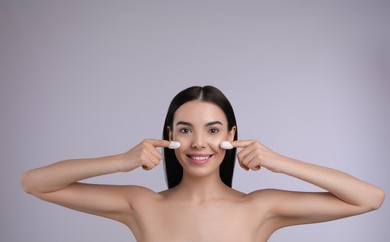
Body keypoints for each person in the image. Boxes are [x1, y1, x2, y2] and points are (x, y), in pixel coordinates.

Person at [21, 85, 385, 241]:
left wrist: (278, 161)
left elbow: (369, 198)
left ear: (232, 134)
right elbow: (34, 183)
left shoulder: (261, 207)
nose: (198, 142)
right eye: (185, 129)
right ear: (169, 135)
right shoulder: (141, 204)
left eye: (212, 130)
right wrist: (120, 161)